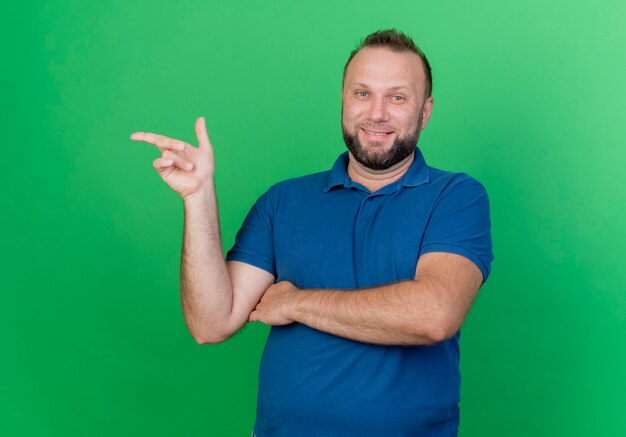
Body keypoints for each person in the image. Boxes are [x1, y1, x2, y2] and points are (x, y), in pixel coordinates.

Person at [131, 29, 493, 437]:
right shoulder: (283, 200)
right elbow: (211, 323)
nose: (377, 113)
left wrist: (296, 303)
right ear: (343, 98)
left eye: (397, 97)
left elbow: (433, 316)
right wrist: (198, 196)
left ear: (424, 112)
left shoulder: (456, 196)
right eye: (362, 93)